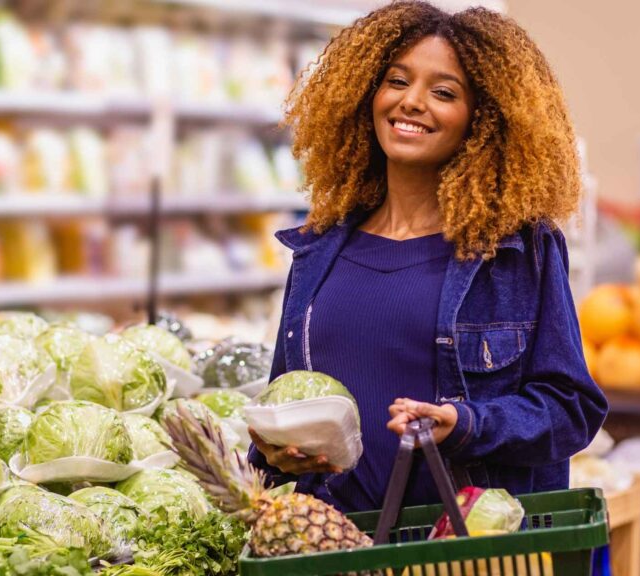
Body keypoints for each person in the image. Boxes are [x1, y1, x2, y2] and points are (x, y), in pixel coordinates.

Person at [247, 1, 609, 513]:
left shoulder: (515, 249)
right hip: (329, 543)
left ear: (482, 119)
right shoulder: (319, 249)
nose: (411, 102)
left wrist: (465, 425)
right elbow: (279, 415)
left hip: (456, 549)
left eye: (443, 92)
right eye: (396, 81)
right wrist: (277, 453)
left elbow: (570, 409)